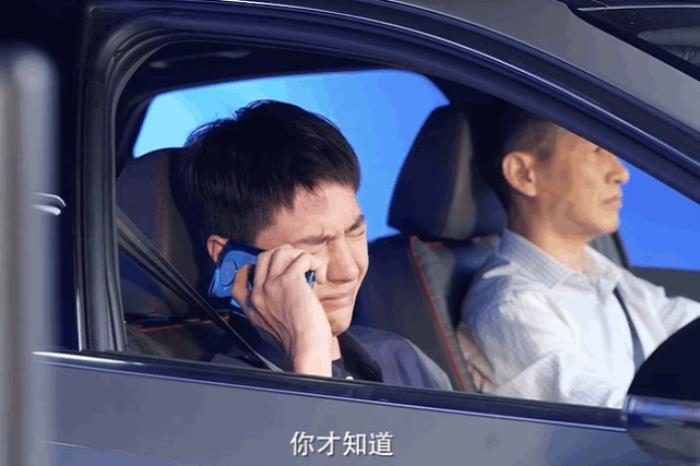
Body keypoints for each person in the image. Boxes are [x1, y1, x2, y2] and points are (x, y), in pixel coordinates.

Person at [186, 99, 451, 389]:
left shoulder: (401, 358)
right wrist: (309, 351)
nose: (348, 270)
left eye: (354, 233)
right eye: (314, 246)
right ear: (232, 261)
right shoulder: (218, 392)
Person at [458, 108, 700, 407]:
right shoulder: (511, 307)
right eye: (597, 150)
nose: (621, 173)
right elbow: (607, 418)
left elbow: (682, 323)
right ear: (524, 174)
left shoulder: (606, 278)